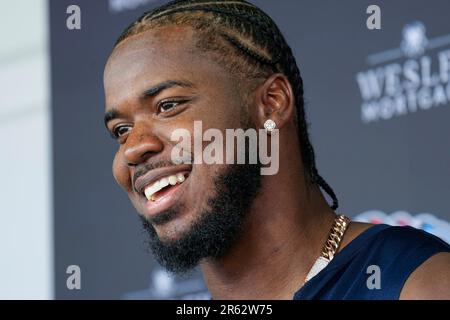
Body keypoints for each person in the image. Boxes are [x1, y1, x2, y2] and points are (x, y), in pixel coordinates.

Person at [103, 0, 450, 299]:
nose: (133, 149)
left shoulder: (417, 284)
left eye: (168, 105)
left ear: (271, 103)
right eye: (120, 130)